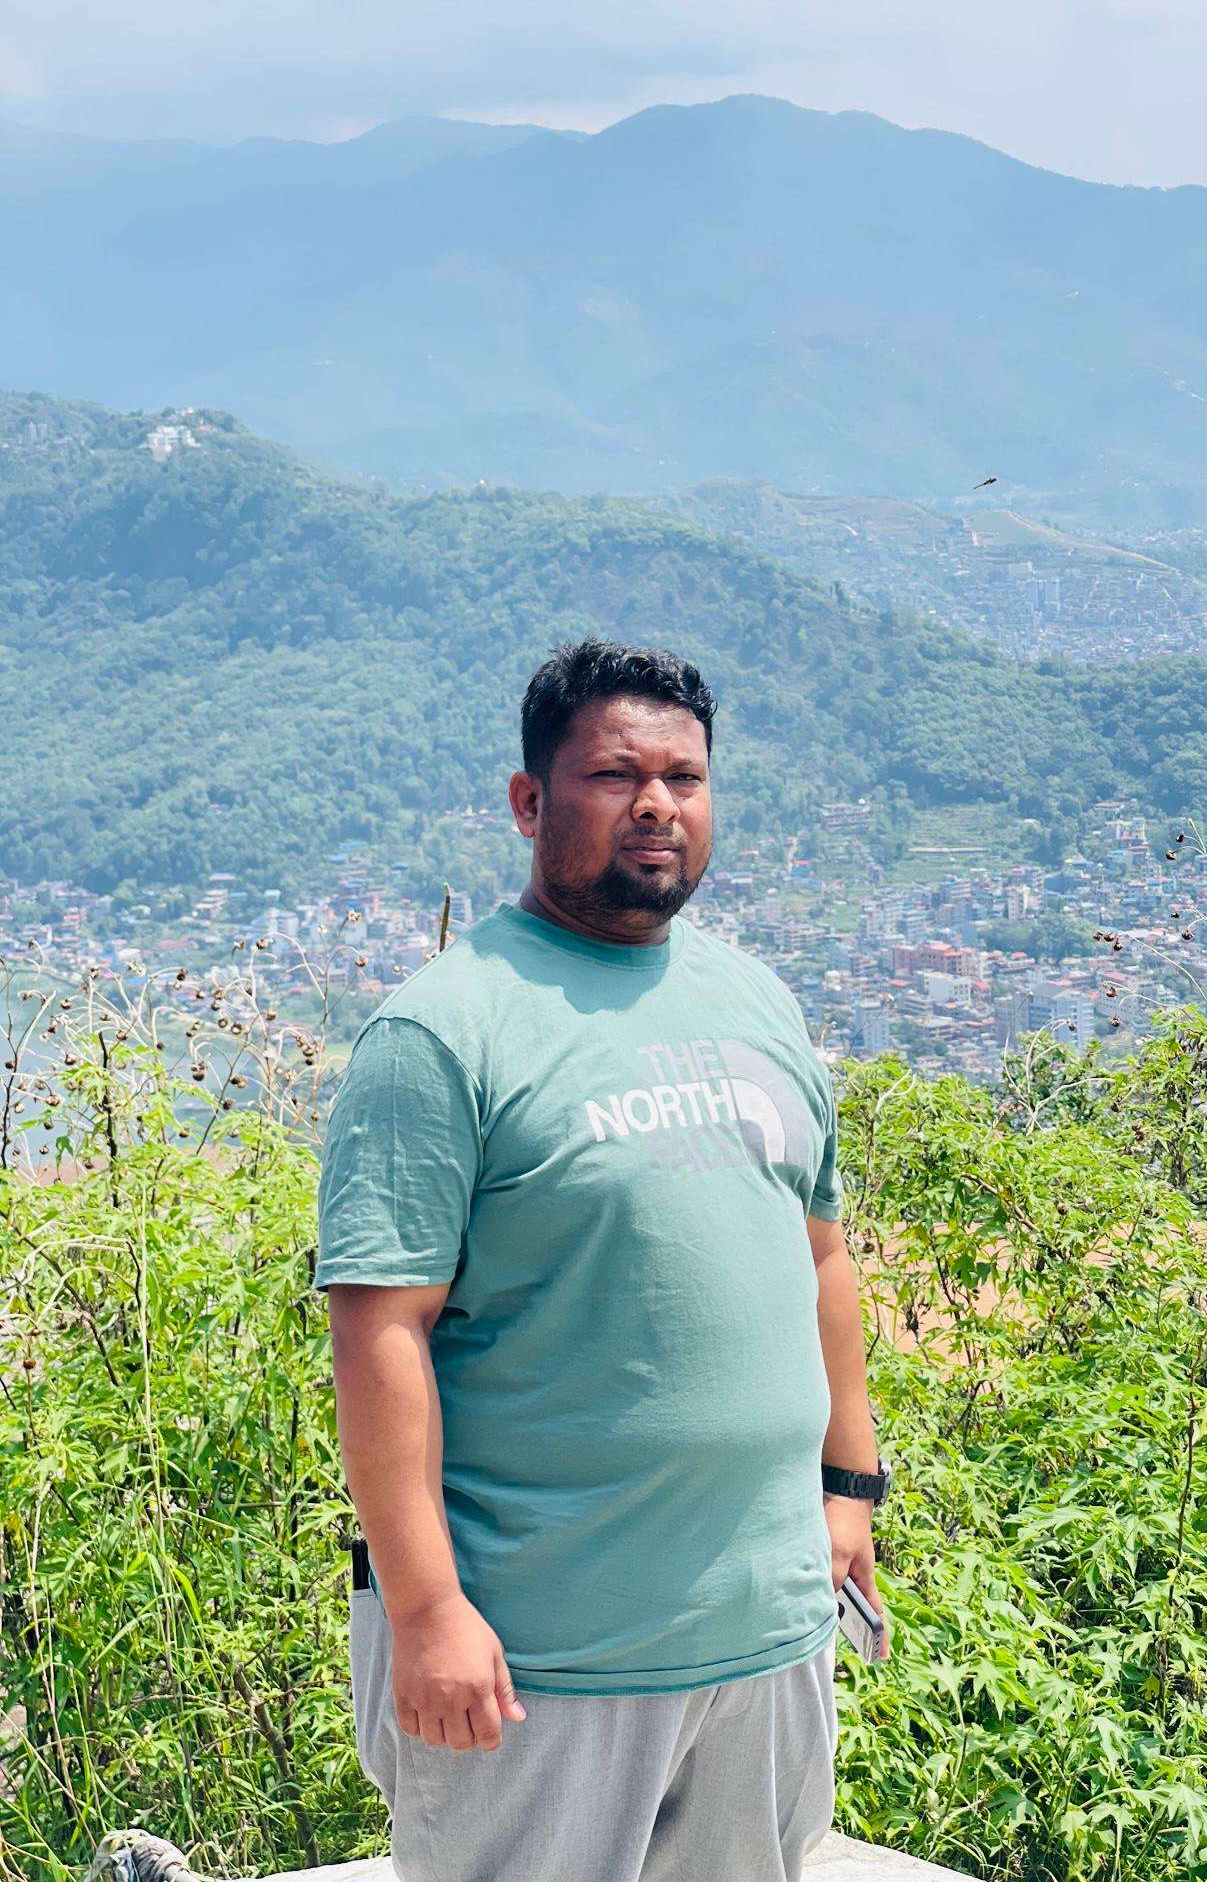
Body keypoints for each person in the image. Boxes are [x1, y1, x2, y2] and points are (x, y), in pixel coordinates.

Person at [316, 637, 892, 1882]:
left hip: (765, 1635)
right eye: (615, 775)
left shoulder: (757, 1002)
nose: (656, 805)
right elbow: (378, 1329)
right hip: (540, 1656)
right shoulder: (443, 1031)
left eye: (684, 778)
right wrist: (426, 1611)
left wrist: (850, 1492)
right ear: (530, 802)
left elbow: (820, 1255)